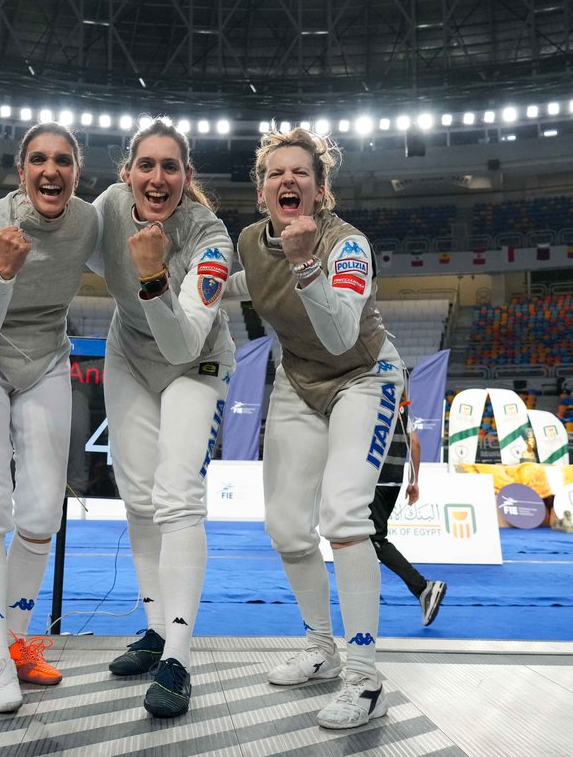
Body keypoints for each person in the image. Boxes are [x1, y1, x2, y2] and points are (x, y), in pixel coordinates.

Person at [225, 126, 405, 730]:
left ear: (321, 190)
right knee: (285, 527)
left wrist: (306, 262)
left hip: (364, 375)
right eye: (276, 173)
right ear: (262, 193)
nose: (288, 181)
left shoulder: (347, 245)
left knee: (345, 516)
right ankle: (321, 649)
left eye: (301, 172)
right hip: (300, 380)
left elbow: (337, 336)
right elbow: (236, 285)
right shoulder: (251, 240)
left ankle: (364, 675)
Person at [0, 122, 99, 713]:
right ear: (21, 171)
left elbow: (126, 267)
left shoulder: (88, 220)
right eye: (38, 160)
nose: (51, 171)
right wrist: (3, 271)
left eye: (63, 161)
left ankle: (16, 646)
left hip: (47, 359)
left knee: (40, 513)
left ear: (77, 173)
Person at [89, 118, 235, 718]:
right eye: (145, 165)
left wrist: (152, 275)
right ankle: (153, 629)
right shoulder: (107, 209)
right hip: (128, 353)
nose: (156, 177)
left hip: (194, 362)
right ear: (127, 173)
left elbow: (181, 345)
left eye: (169, 167)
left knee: (176, 496)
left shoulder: (211, 237)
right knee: (139, 499)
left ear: (186, 177)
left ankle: (177, 656)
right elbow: (54, 239)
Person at [368, 387, 447, 627]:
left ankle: (423, 587)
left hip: (372, 478)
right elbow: (415, 444)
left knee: (374, 539)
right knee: (364, 537)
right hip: (393, 479)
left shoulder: (368, 405)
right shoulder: (402, 409)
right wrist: (413, 481)